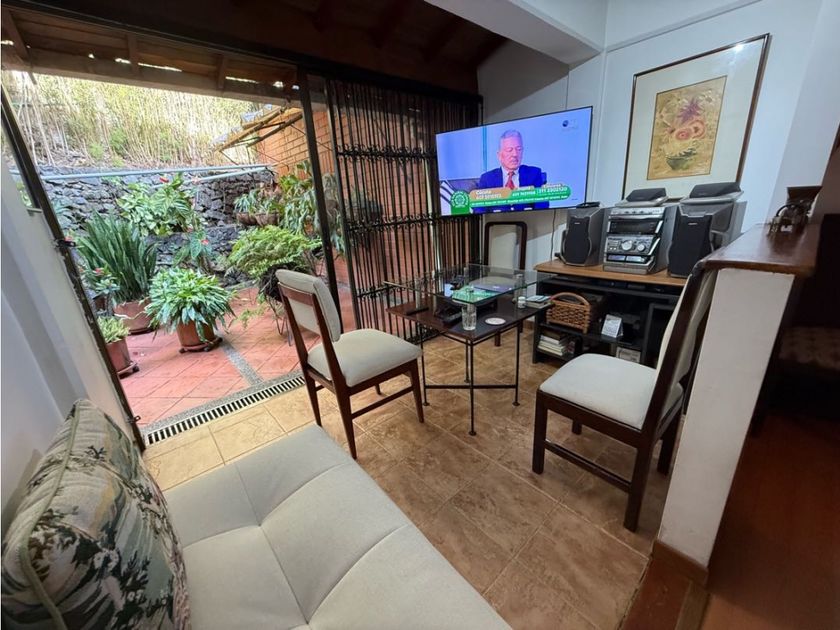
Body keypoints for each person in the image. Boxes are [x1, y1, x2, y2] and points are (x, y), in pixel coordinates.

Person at [476, 130, 547, 211]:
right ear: (499, 155)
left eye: (519, 149)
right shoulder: (487, 179)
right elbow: (479, 208)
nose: (515, 154)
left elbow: (542, 204)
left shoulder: (534, 174)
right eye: (509, 150)